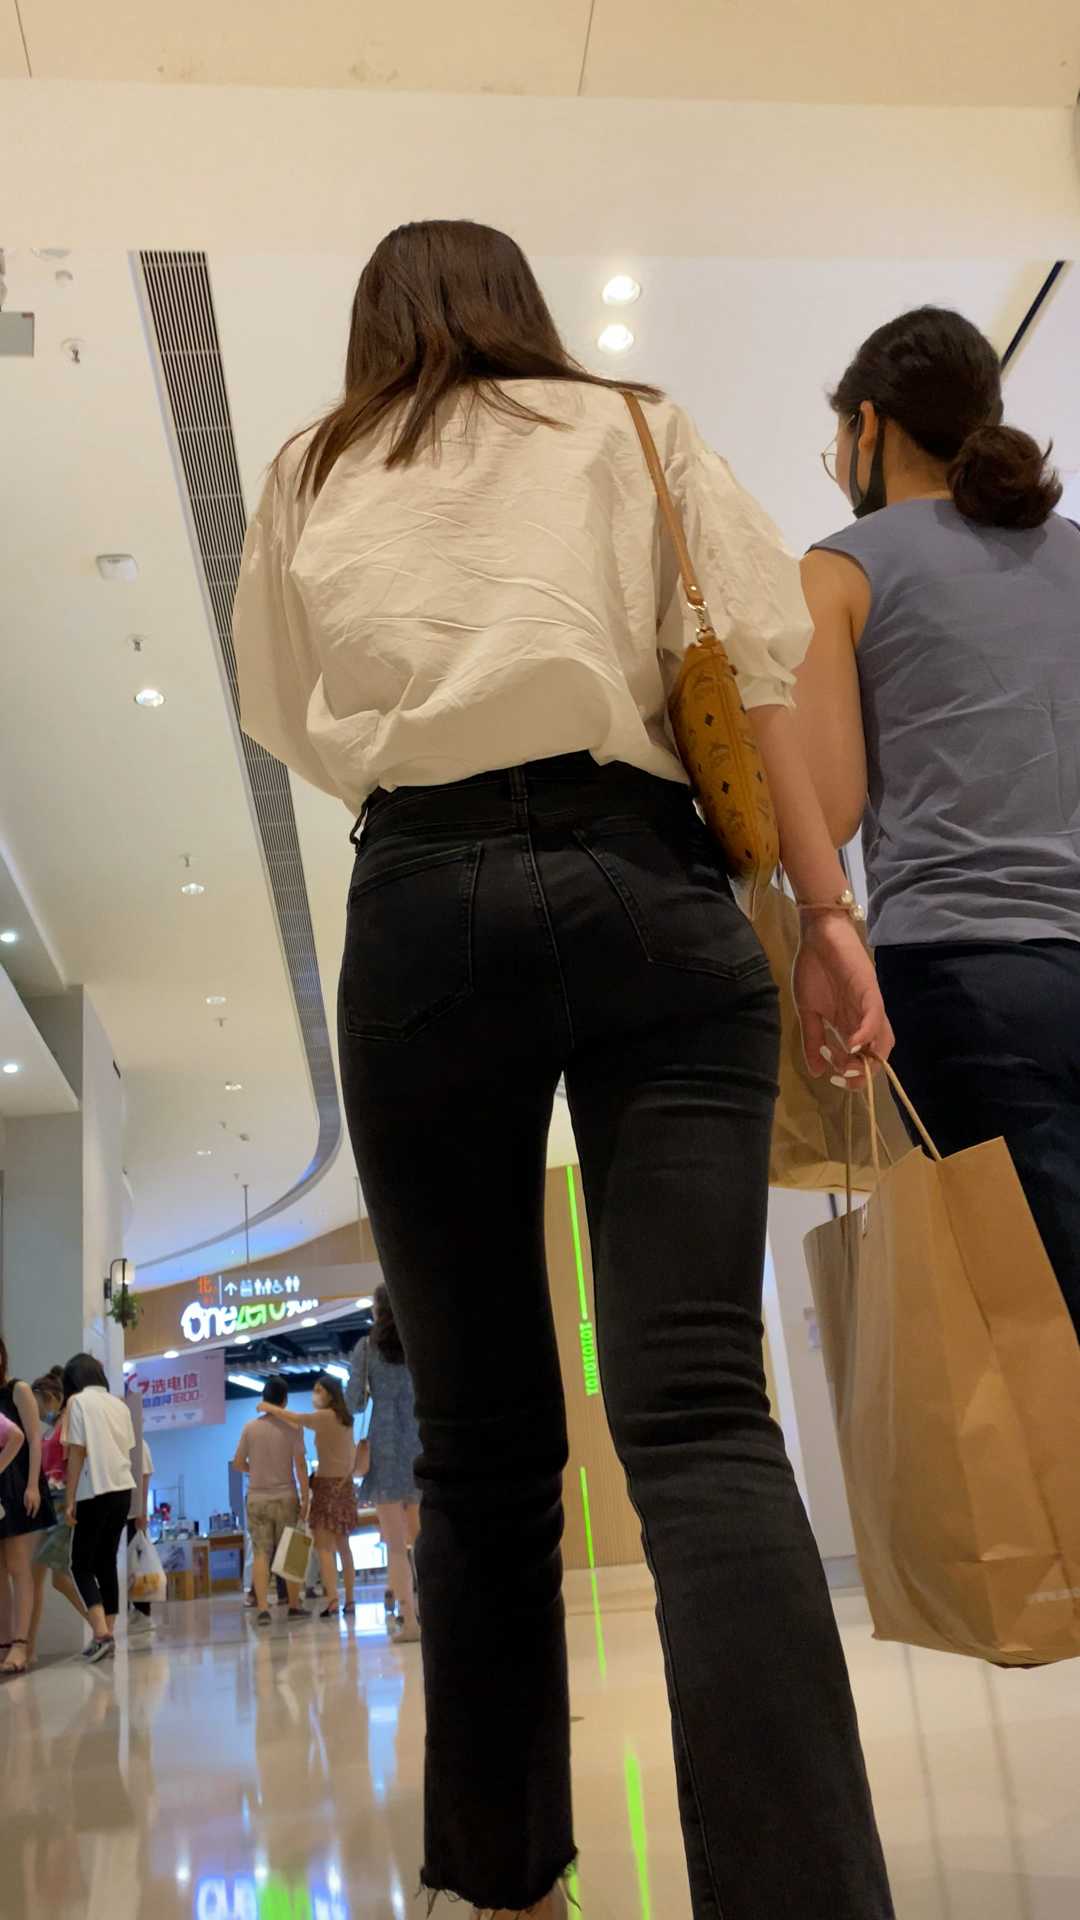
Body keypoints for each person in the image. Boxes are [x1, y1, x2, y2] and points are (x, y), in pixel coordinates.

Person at [234, 219, 894, 1920]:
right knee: (701, 1412)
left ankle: (506, 1881)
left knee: (479, 1444)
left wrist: (437, 765)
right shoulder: (635, 427)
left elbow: (289, 712)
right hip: (649, 882)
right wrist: (828, 915)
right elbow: (755, 678)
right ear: (522, 307)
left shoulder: (313, 467)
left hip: (420, 906)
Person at [796, 305, 1080, 1334]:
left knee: (1037, 1337)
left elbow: (829, 806)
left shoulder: (842, 567)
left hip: (966, 984)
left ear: (867, 427)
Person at [348, 1286, 421, 1644]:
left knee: (394, 1546)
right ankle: (436, 1614)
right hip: (420, 1442)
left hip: (385, 1448)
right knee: (423, 1540)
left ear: (376, 1311)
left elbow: (354, 1403)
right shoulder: (418, 1341)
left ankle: (408, 1621)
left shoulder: (366, 1348)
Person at [257, 1376, 358, 1620]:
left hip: (326, 1486)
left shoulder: (325, 1416)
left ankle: (332, 1600)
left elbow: (297, 1418)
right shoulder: (346, 1420)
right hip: (345, 1487)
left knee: (324, 1548)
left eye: (318, 1390)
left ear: (330, 1394)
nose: (315, 1394)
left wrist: (268, 1407)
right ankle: (350, 1599)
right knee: (344, 1547)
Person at [62, 1352, 136, 1664]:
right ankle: (107, 1636)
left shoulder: (78, 1402)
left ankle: (102, 1634)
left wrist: (69, 1498)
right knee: (106, 1562)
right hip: (123, 1489)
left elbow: (77, 1452)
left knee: (80, 1564)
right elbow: (127, 1448)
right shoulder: (119, 1405)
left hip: (94, 1490)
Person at [231, 1373, 311, 1626]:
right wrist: (305, 1498)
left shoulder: (250, 1428)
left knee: (261, 1553)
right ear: (284, 1401)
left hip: (257, 1498)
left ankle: (263, 1608)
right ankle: (294, 1605)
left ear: (263, 1399)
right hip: (286, 1496)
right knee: (291, 1551)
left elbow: (237, 1463)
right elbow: (300, 1465)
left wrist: (254, 1471)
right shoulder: (294, 1428)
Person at [0, 1335, 56, 1677]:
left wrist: (33, 1485)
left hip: (20, 1487)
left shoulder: (17, 1390)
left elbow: (34, 1439)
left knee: (19, 1567)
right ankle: (5, 1642)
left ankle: (21, 1644)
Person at [28, 1369, 90, 1664]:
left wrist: (70, 1502)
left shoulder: (66, 1424)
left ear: (51, 1398)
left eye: (39, 1404)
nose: (38, 1412)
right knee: (38, 1579)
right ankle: (28, 1647)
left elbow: (75, 1462)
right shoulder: (51, 1430)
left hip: (61, 1502)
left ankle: (100, 1627)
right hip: (47, 1506)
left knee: (57, 1578)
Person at [125, 1425, 157, 1638]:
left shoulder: (140, 1445)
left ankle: (143, 1611)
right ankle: (132, 1609)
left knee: (138, 1563)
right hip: (122, 1512)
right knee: (129, 1564)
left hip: (133, 1514)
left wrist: (141, 1511)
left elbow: (145, 1478)